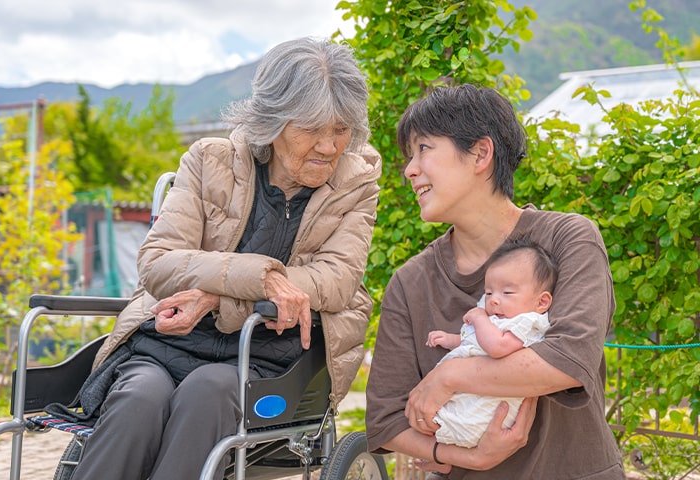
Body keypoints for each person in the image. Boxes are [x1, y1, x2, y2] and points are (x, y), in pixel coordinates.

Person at [62, 37, 381, 480]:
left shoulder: (357, 183)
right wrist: (261, 277)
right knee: (139, 398)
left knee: (207, 392)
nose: (329, 146)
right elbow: (159, 261)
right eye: (312, 128)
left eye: (341, 129)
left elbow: (337, 278)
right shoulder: (209, 160)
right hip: (170, 342)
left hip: (269, 356)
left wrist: (217, 296)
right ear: (272, 121)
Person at [365, 84, 625, 479]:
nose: (410, 169)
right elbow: (386, 420)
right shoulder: (411, 281)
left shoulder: (569, 239)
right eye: (409, 156)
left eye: (424, 149)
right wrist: (468, 457)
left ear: (481, 154)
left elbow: (569, 361)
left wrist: (450, 376)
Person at [425, 239, 556, 464]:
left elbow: (496, 348)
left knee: (448, 420)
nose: (494, 300)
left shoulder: (527, 322)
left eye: (507, 292)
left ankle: (446, 456)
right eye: (488, 292)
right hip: (473, 396)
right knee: (436, 417)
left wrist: (478, 317)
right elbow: (474, 345)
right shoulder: (498, 320)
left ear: (541, 301)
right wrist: (451, 340)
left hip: (490, 407)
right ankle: (445, 459)